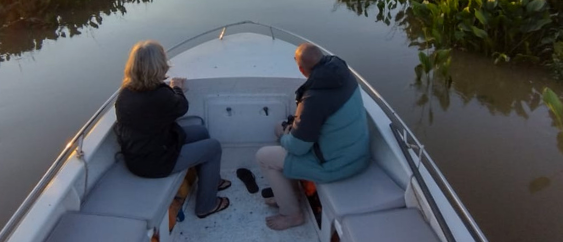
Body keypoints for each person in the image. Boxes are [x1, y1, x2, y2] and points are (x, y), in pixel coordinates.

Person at [256, 43, 371, 231]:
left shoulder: (314, 98)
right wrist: (287, 130)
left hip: (337, 166)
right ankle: (288, 192)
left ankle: (292, 214)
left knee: (264, 156)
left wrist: (285, 136)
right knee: (281, 128)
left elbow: (297, 148)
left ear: (301, 69)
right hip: (359, 154)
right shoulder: (344, 74)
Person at [114, 40, 230, 218]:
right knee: (213, 147)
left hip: (143, 152)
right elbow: (181, 106)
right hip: (156, 163)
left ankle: (212, 181)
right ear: (158, 67)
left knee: (201, 133)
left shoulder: (126, 93)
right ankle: (206, 205)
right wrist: (177, 88)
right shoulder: (159, 96)